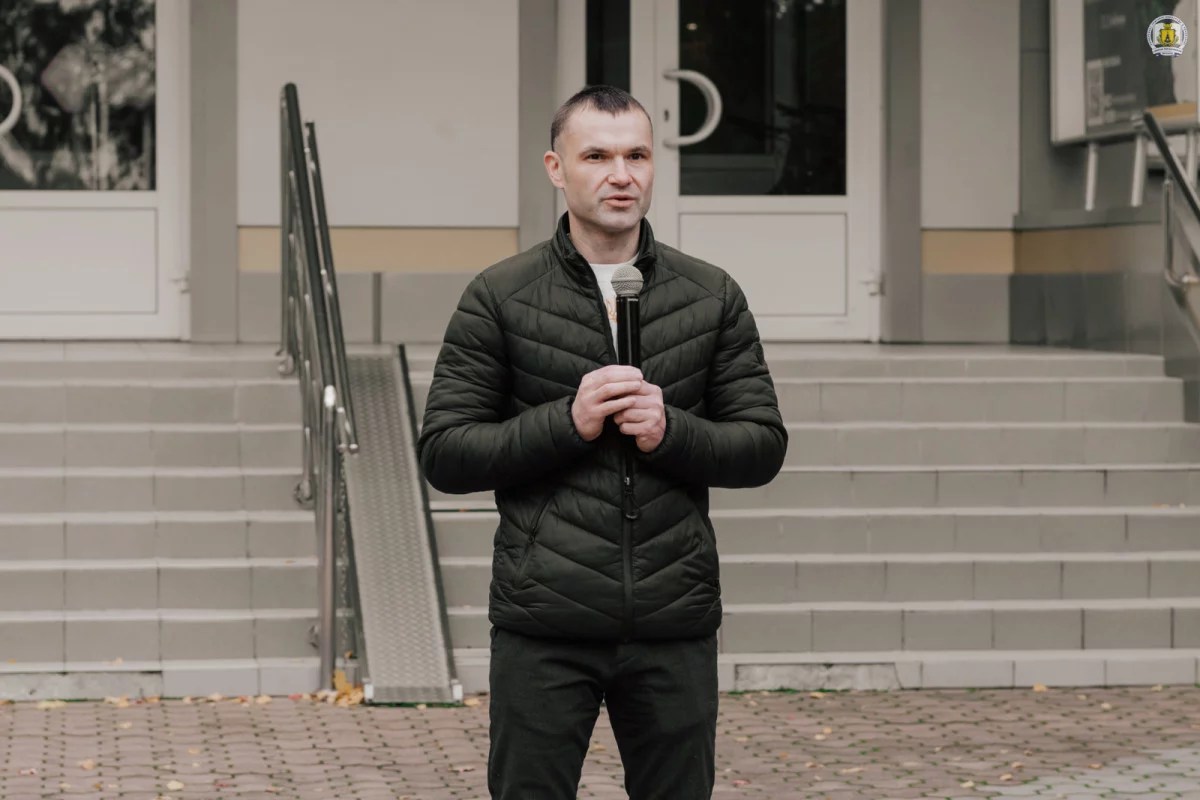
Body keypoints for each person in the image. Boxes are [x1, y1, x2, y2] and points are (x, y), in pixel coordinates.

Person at [417, 85, 787, 800]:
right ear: (556, 168)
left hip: (673, 619)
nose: (621, 175)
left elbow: (762, 446)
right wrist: (569, 421)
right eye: (597, 157)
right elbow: (446, 452)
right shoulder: (499, 295)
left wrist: (672, 431)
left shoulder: (712, 295)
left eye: (637, 156)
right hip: (545, 619)